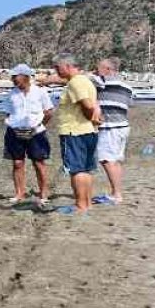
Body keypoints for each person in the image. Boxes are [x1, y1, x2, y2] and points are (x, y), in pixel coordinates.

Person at [53, 53, 102, 214]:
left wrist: (90, 117)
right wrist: (93, 119)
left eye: (57, 67)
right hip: (87, 131)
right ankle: (86, 203)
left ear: (67, 66)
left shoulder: (75, 83)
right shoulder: (85, 80)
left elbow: (87, 105)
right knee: (86, 170)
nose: (56, 70)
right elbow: (94, 105)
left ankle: (81, 205)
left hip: (74, 132)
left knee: (77, 170)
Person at [3, 64, 54, 206]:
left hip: (36, 133)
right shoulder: (11, 94)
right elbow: (8, 113)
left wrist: (39, 125)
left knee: (39, 163)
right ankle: (19, 193)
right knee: (17, 163)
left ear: (25, 76)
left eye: (15, 76)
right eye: (12, 77)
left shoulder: (40, 92)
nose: (13, 79)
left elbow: (49, 112)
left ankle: (43, 193)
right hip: (14, 132)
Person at [91, 57, 133, 204]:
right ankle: (117, 192)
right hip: (123, 126)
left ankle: (116, 194)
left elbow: (80, 78)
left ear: (108, 70)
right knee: (115, 161)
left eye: (98, 68)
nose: (95, 71)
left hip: (110, 128)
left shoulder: (103, 81)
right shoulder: (127, 87)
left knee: (106, 159)